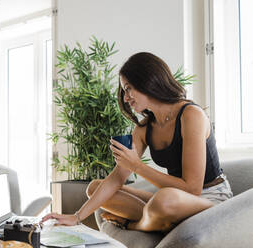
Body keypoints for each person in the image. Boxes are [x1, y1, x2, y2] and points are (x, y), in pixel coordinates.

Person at [41, 52, 233, 232]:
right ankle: (160, 221)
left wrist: (137, 167)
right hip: (175, 200)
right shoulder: (144, 129)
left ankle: (137, 225)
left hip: (210, 199)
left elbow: (192, 188)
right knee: (94, 187)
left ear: (147, 81)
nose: (125, 98)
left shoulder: (191, 115)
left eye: (128, 89)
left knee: (164, 199)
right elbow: (117, 178)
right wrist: (77, 216)